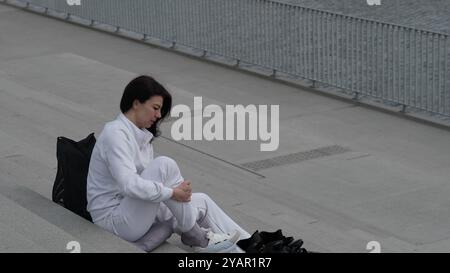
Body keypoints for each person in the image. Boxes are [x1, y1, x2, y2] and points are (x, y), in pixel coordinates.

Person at [86, 75, 250, 252]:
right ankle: (198, 236)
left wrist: (177, 195)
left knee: (203, 201)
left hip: (132, 211)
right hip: (113, 220)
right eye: (155, 108)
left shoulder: (140, 136)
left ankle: (252, 245)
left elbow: (146, 189)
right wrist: (173, 193)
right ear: (136, 103)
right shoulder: (115, 134)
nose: (158, 115)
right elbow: (129, 185)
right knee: (164, 165)